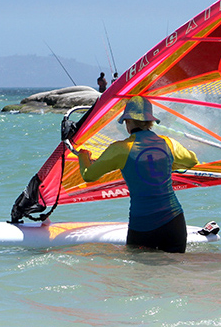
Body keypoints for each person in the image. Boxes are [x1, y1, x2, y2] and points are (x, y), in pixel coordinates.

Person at [77, 96, 198, 253]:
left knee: (140, 273)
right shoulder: (168, 143)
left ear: (127, 121)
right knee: (174, 271)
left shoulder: (121, 149)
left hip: (143, 225)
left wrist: (83, 156)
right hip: (174, 221)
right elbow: (192, 160)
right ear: (150, 122)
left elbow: (88, 175)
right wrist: (169, 165)